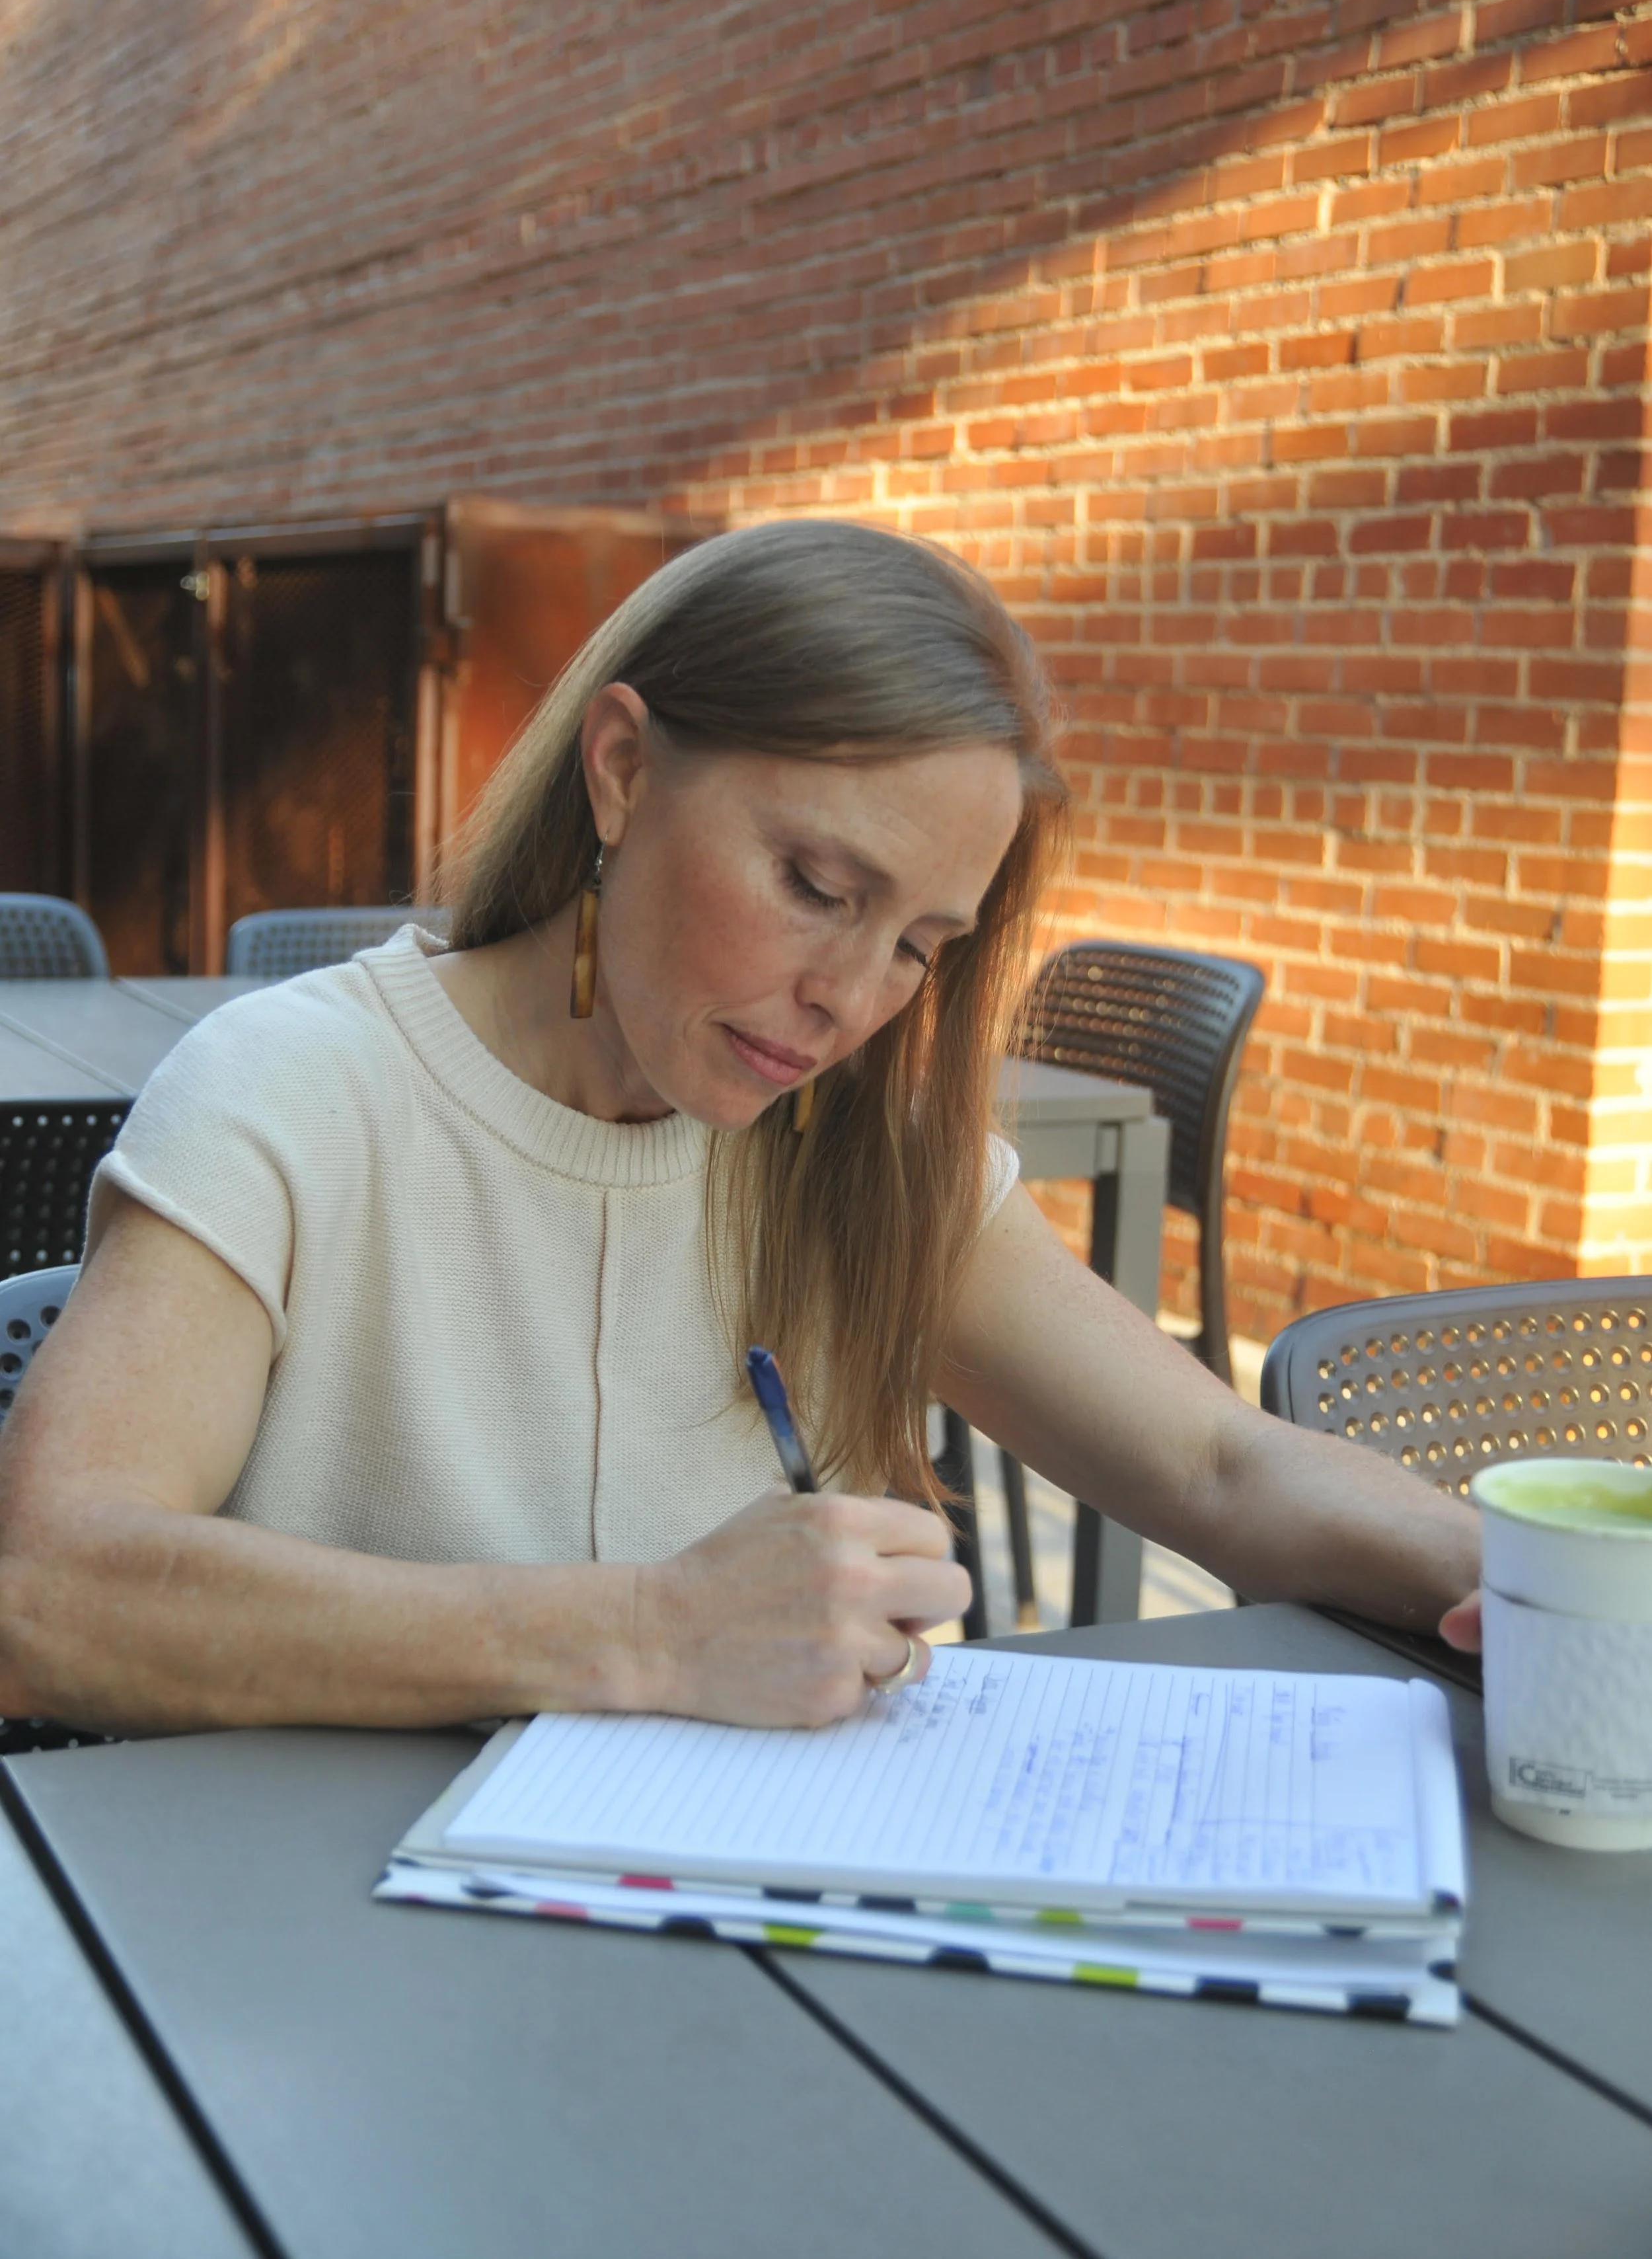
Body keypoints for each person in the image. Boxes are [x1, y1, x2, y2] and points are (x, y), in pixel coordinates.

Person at [0, 523, 1480, 1736]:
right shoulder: (294, 1090)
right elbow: (49, 1594)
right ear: (624, 769)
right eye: (816, 885)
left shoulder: (864, 1160)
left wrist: (1535, 1574)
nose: (846, 998)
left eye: (919, 943)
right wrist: (647, 1628)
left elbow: (1212, 1467)